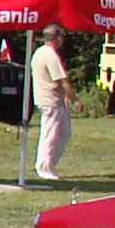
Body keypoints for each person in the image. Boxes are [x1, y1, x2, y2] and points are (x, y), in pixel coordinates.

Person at [30, 25, 75, 180]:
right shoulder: (50, 55)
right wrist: (75, 99)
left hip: (53, 100)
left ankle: (49, 164)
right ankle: (43, 167)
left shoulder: (38, 53)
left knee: (64, 133)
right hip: (50, 100)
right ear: (58, 38)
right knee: (50, 135)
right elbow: (62, 80)